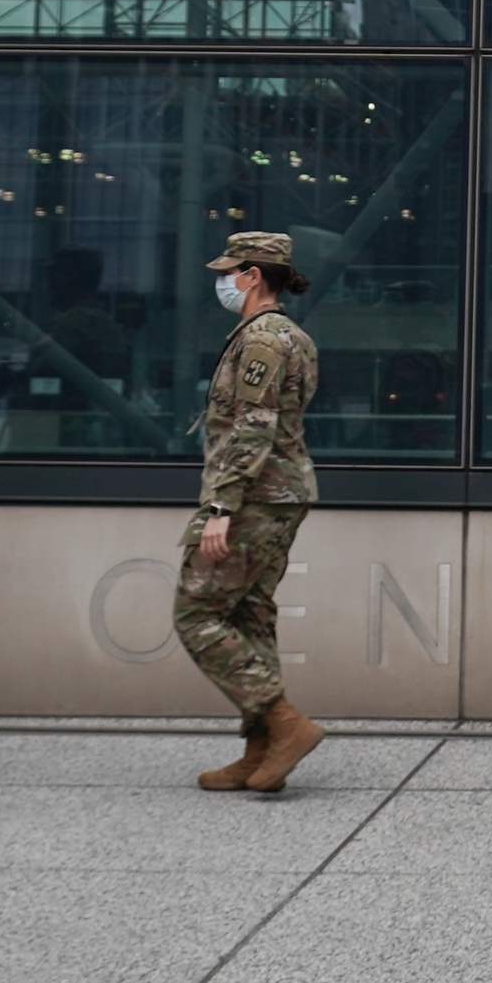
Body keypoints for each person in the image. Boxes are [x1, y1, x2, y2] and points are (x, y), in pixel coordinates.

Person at [180, 231, 330, 796]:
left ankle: (284, 722)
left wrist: (221, 506)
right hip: (278, 494)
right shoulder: (289, 335)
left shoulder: (263, 339)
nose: (223, 283)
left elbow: (254, 426)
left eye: (230, 272)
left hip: (256, 497)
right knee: (248, 614)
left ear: (252, 276)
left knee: (196, 612)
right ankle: (261, 749)